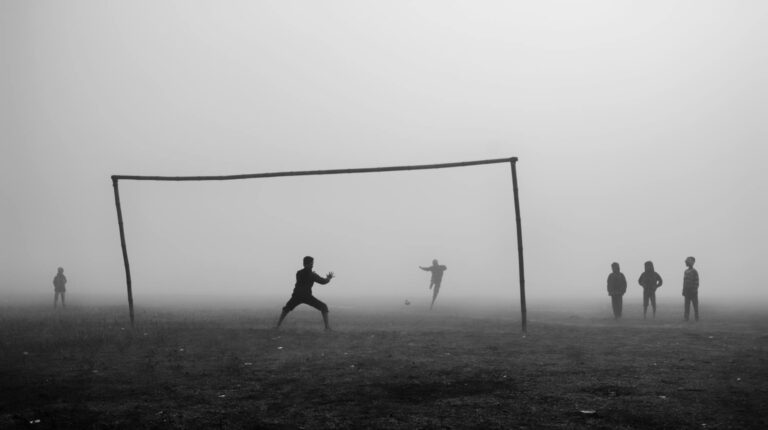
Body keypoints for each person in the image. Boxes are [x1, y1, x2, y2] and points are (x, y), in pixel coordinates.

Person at [276, 256, 335, 330]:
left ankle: (277, 326)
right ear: (308, 264)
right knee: (324, 307)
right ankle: (327, 328)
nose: (313, 265)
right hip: (307, 296)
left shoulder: (299, 273)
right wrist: (329, 278)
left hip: (297, 295)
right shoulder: (312, 275)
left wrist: (314, 275)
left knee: (286, 308)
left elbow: (306, 276)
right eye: (312, 263)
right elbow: (323, 281)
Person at [682, 256, 700, 322]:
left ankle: (697, 318)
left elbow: (697, 281)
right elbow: (684, 281)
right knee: (686, 306)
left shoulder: (694, 271)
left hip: (693, 292)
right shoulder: (685, 271)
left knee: (695, 306)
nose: (686, 263)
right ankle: (686, 318)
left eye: (687, 262)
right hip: (687, 291)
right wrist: (683, 290)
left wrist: (694, 289)